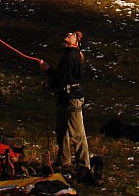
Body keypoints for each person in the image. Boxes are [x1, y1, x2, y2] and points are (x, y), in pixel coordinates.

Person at [40, 30, 99, 184]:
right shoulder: (71, 55)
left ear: (75, 43)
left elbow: (60, 78)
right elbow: (63, 78)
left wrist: (47, 69)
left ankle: (84, 165)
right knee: (62, 130)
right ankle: (64, 161)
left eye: (72, 35)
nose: (69, 34)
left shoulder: (70, 56)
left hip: (72, 99)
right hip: (66, 97)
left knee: (77, 133)